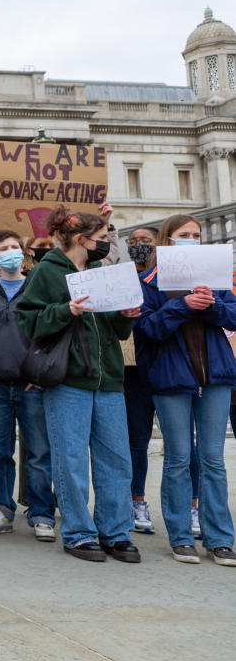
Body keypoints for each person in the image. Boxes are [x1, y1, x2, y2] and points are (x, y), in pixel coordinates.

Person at [17, 206, 141, 563]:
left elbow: (117, 332)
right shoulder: (46, 272)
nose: (105, 244)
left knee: (116, 459)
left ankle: (115, 532)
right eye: (101, 239)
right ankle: (78, 532)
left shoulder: (102, 271)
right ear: (80, 239)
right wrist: (66, 311)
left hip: (110, 379)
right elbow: (29, 323)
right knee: (71, 459)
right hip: (68, 378)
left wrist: (126, 316)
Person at [134, 215, 236, 566]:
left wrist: (214, 306)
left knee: (213, 460)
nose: (191, 239)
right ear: (167, 240)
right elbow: (145, 328)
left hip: (215, 377)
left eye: (196, 234)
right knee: (178, 458)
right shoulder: (148, 279)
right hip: (170, 378)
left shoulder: (217, 276)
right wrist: (182, 305)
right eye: (183, 235)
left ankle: (220, 539)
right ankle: (181, 537)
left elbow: (234, 317)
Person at [0, 230, 56, 541]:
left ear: (23, 254)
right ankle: (1, 509)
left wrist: (40, 376)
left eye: (15, 246)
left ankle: (41, 513)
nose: (10, 251)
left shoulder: (39, 290)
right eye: (3, 248)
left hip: (31, 385)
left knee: (38, 452)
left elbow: (50, 335)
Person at [124, 225, 159, 534]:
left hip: (167, 367)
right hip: (132, 371)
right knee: (137, 440)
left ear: (158, 244)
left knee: (182, 444)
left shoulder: (171, 280)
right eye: (132, 241)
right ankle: (137, 500)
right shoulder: (121, 279)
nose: (138, 246)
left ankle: (193, 506)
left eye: (145, 241)